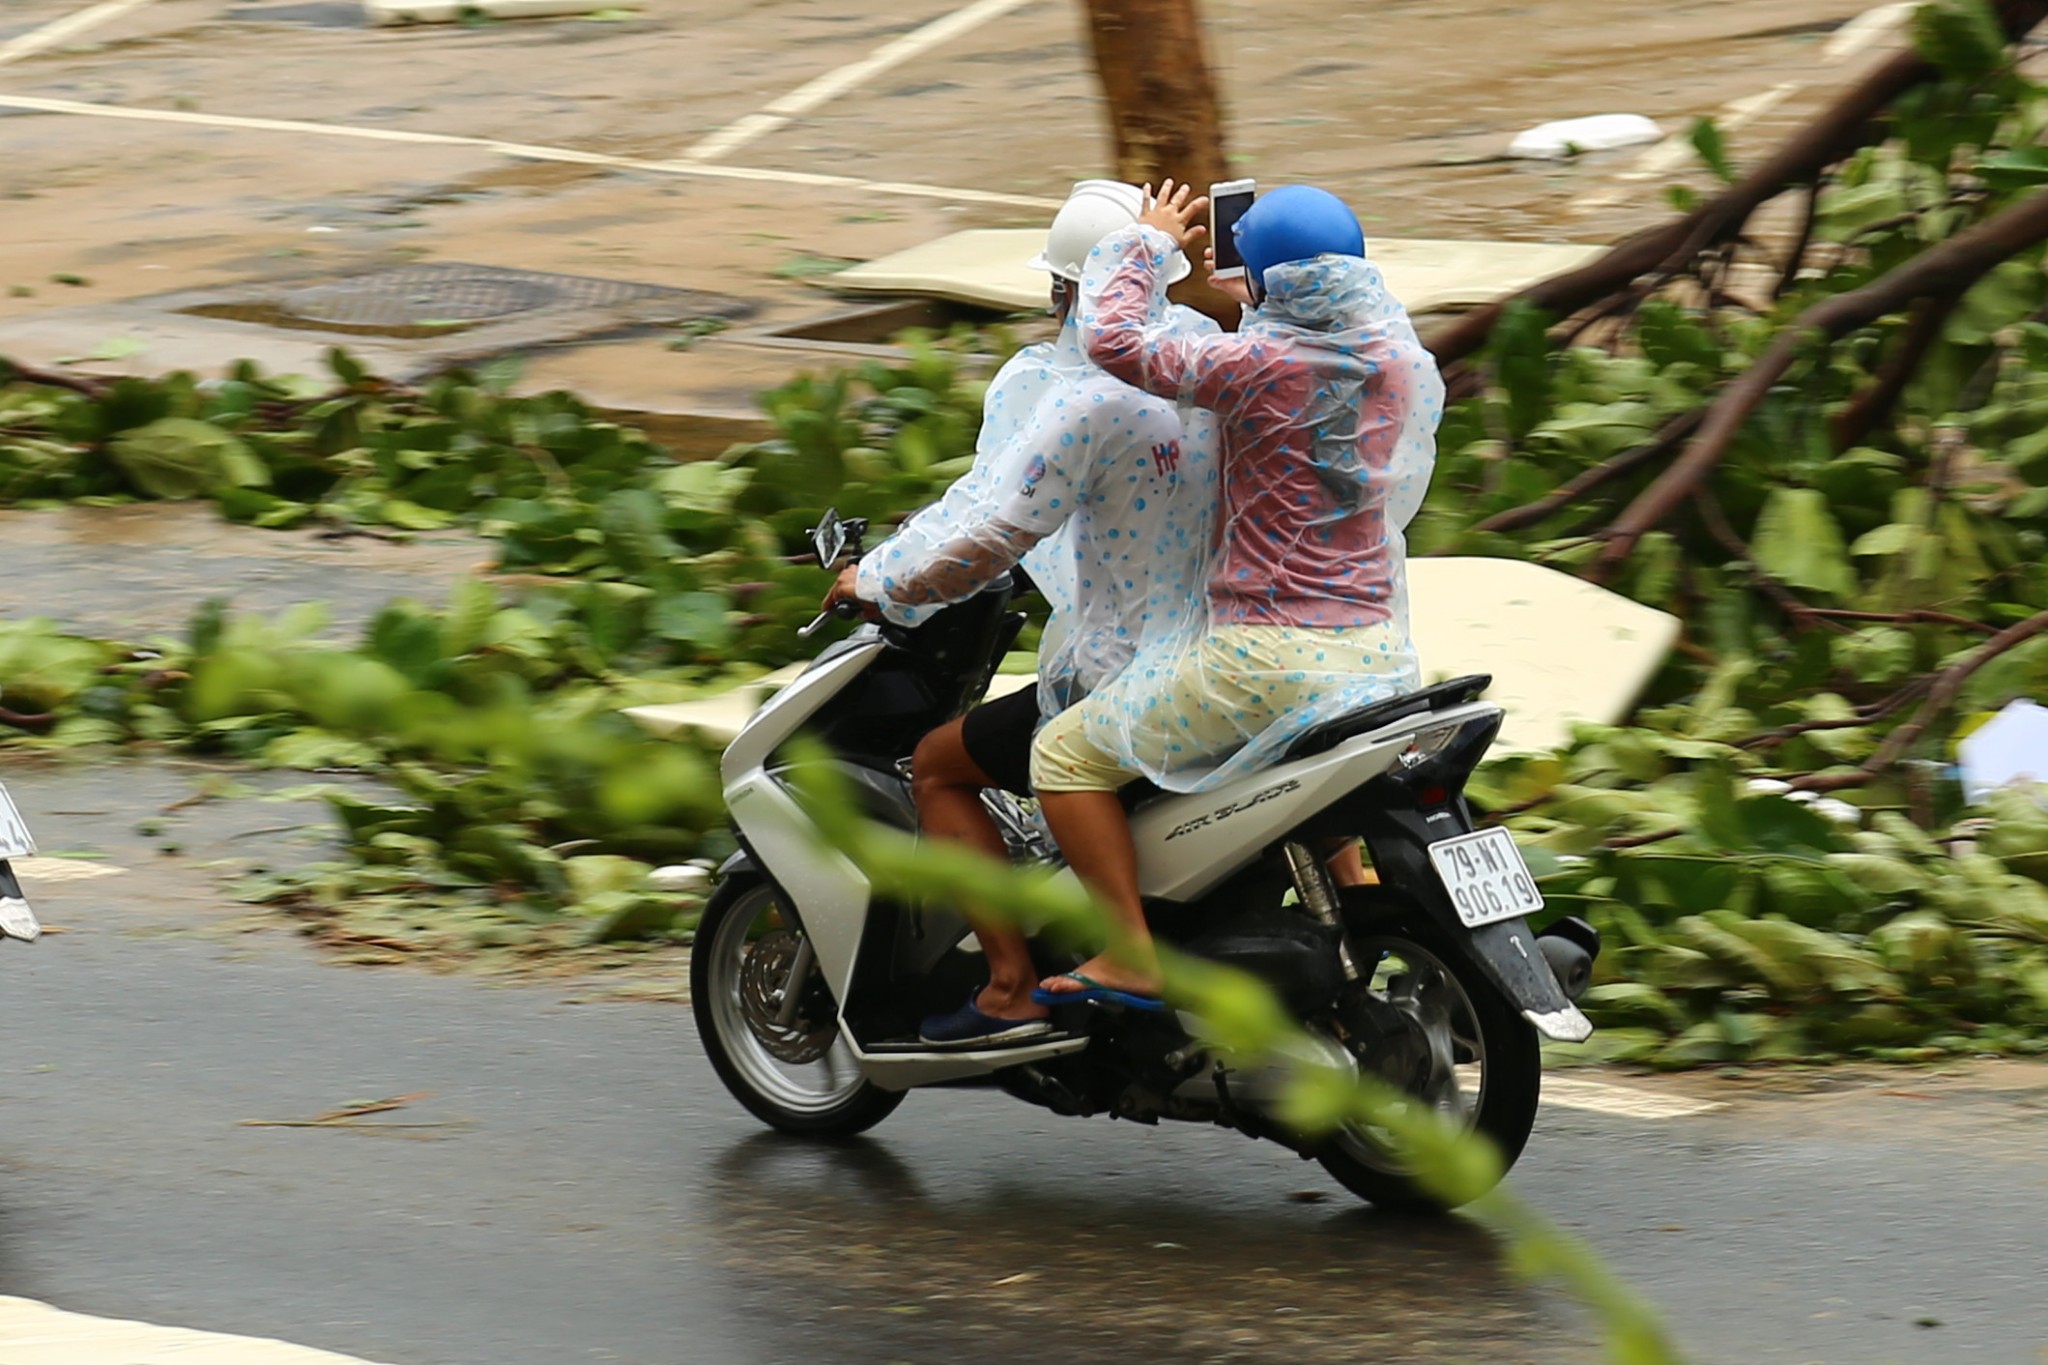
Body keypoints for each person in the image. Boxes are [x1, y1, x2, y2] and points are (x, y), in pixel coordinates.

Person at [1024, 180, 1446, 1007]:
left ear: (1272, 284)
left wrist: (1144, 244)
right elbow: (1309, 372)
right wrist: (1261, 289)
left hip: (1264, 657)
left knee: (1062, 756)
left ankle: (1128, 955)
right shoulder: (1396, 359)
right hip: (1378, 651)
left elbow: (1113, 341)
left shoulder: (1250, 367)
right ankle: (1361, 916)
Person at [819, 179, 1220, 1046]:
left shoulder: (1083, 397)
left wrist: (875, 581)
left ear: (1071, 289)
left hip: (1130, 673)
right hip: (1243, 657)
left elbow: (986, 530)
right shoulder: (1218, 363)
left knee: (936, 764)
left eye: (1057, 287)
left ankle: (1009, 984)